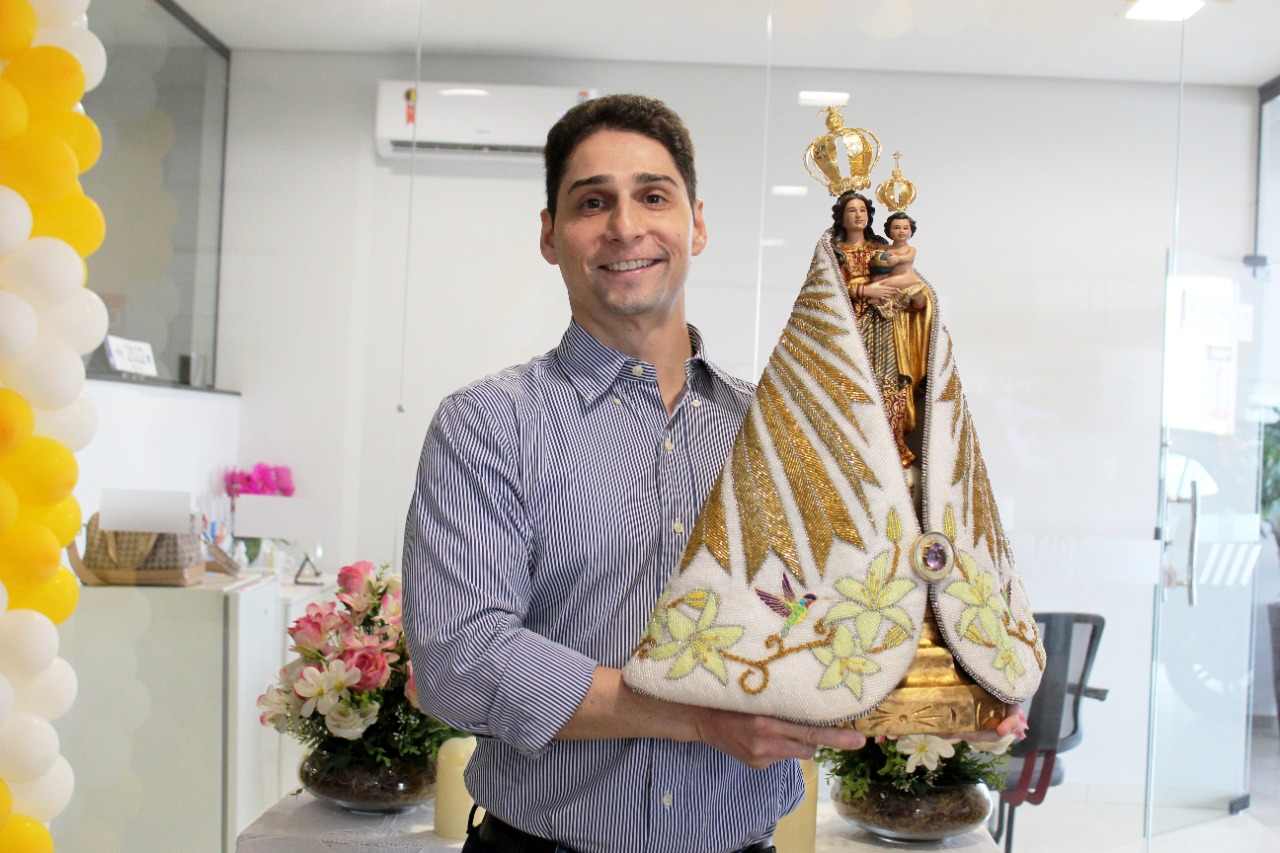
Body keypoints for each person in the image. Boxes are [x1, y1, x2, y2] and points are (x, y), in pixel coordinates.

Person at [402, 94, 867, 853]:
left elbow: (827, 616)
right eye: (593, 202)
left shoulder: (779, 436)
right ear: (551, 235)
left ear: (697, 224)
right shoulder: (486, 424)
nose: (625, 226)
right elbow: (459, 661)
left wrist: (944, 681)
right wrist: (697, 716)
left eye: (653, 196)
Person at [830, 193, 930, 469]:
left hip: (886, 326)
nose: (858, 216)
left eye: (862, 210)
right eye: (852, 211)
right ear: (842, 217)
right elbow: (825, 289)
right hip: (850, 327)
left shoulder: (883, 248)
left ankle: (892, 447)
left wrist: (917, 299)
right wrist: (866, 290)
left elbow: (912, 289)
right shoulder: (833, 251)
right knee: (854, 385)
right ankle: (855, 449)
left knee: (890, 385)